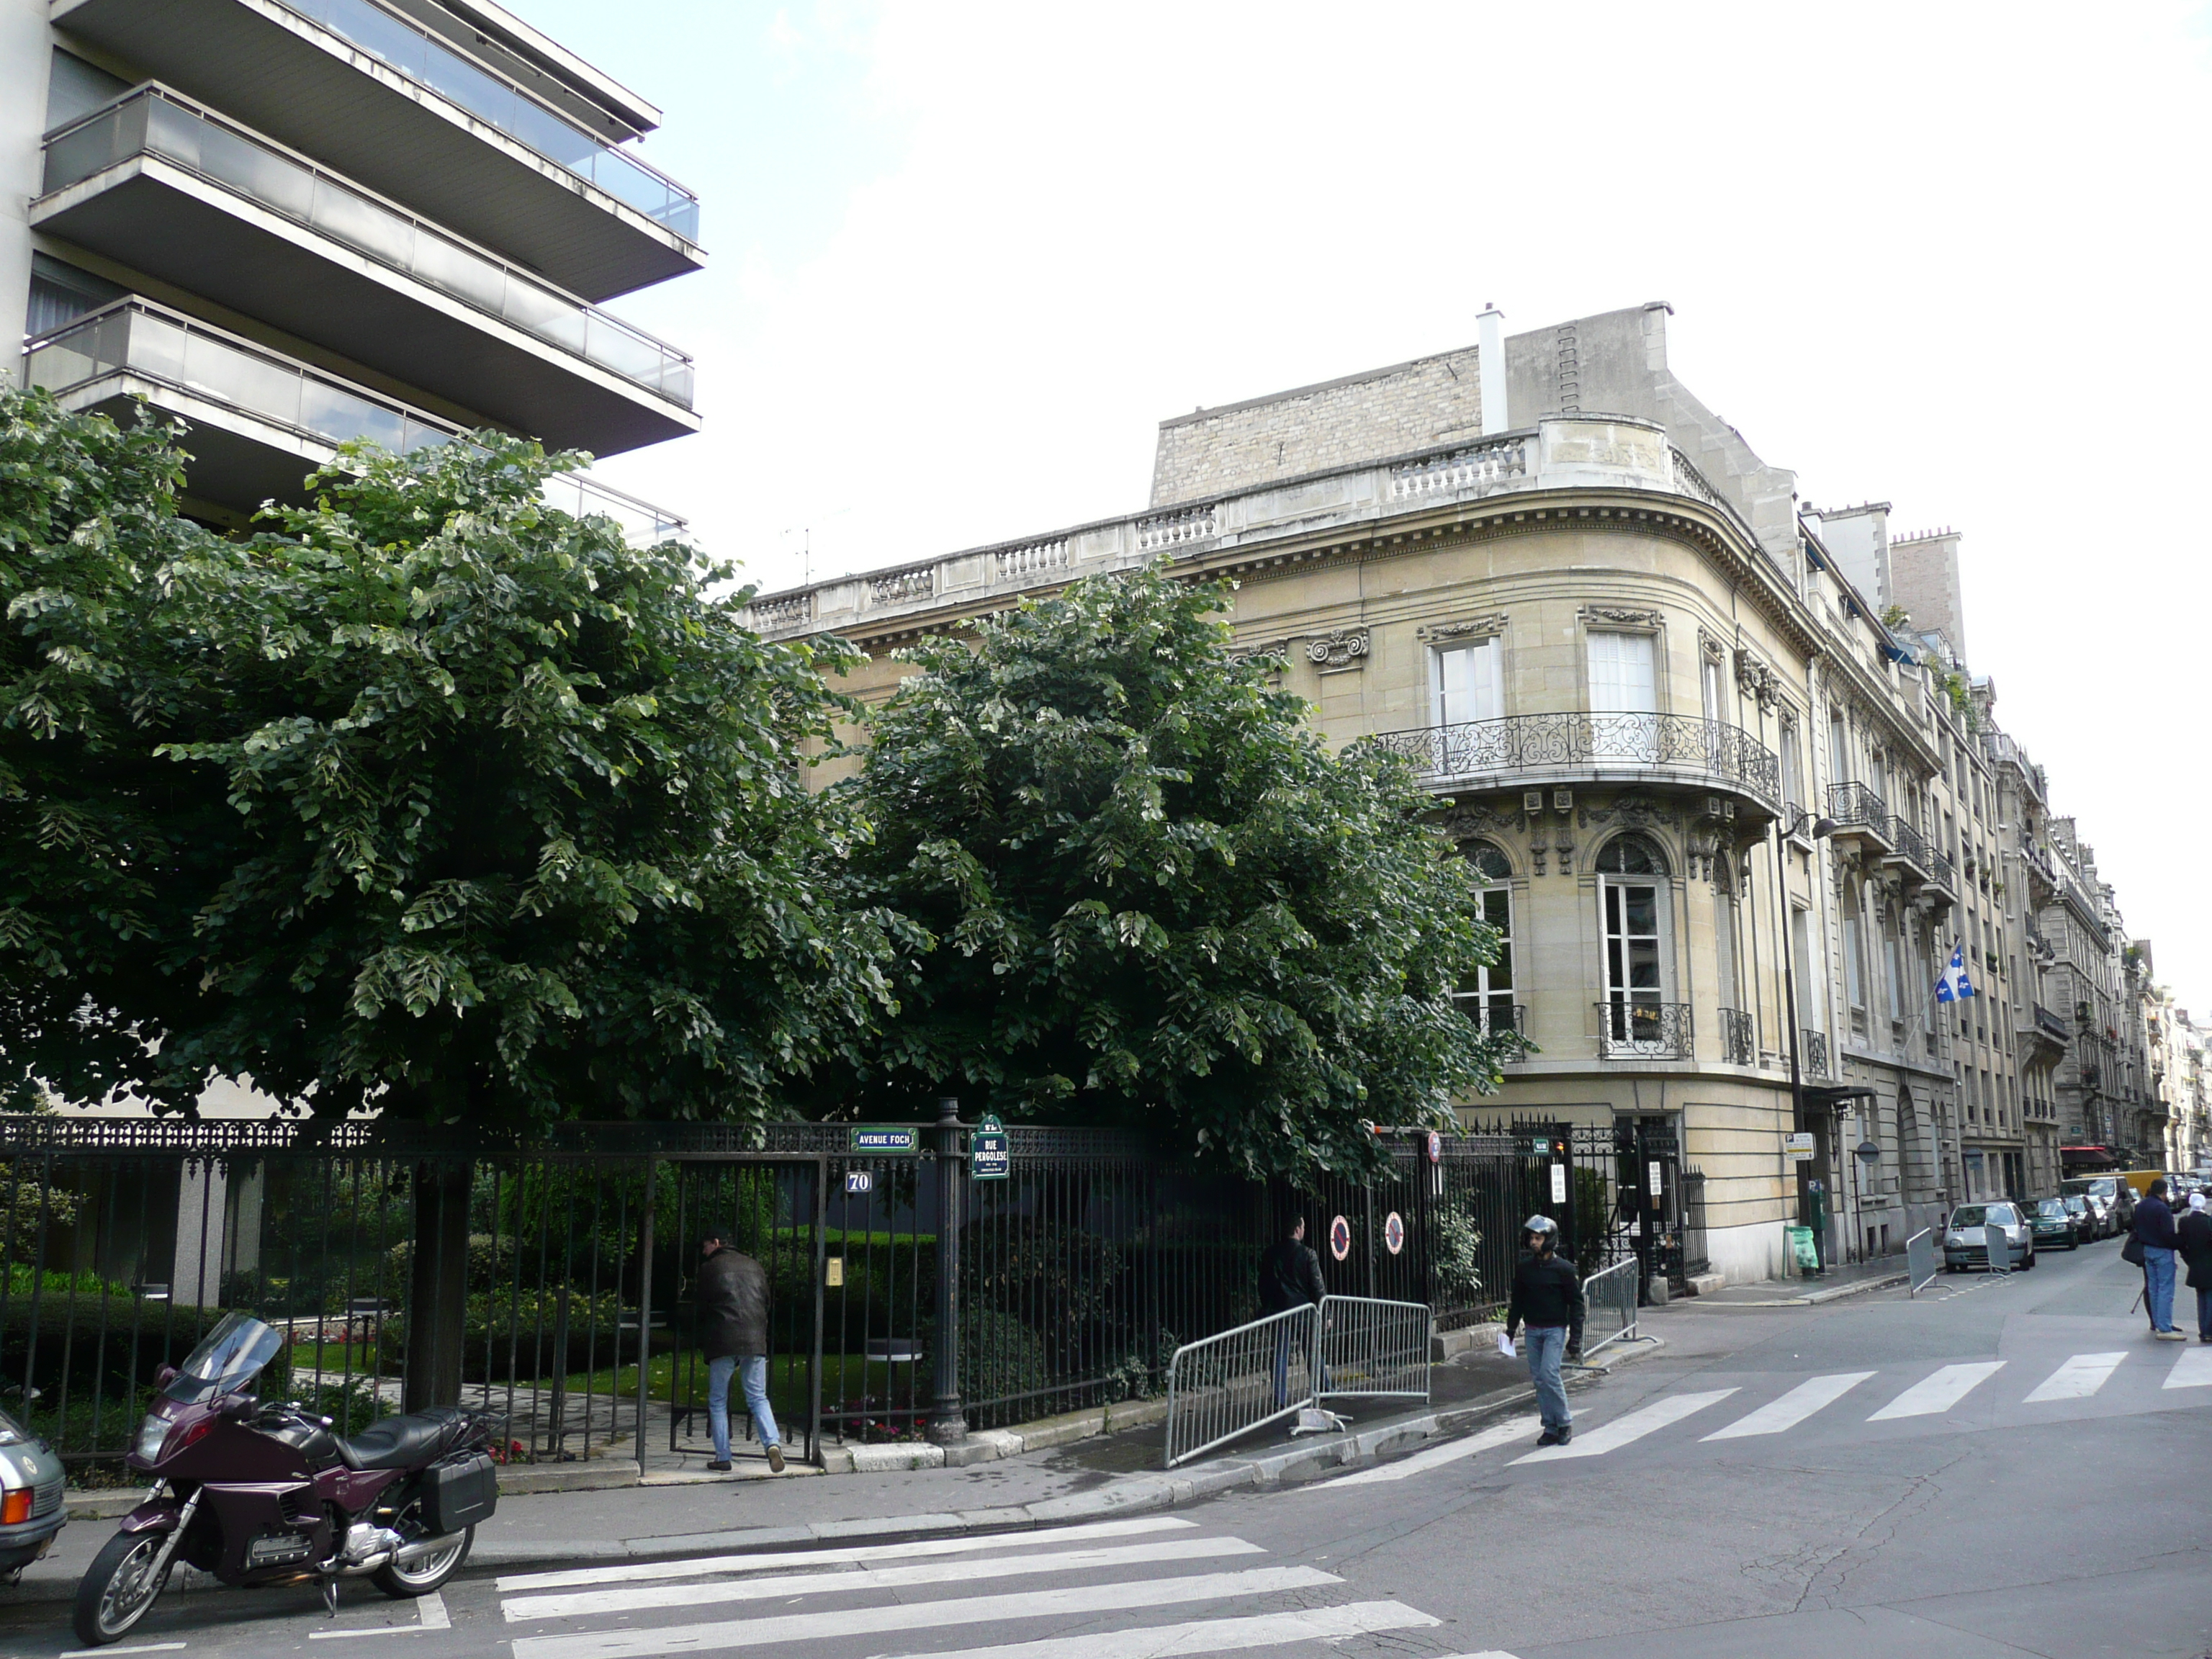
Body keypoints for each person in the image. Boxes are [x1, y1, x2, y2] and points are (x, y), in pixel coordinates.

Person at [696, 1232, 785, 1472]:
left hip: (723, 1340)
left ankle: (723, 1456)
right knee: (758, 1397)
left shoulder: (709, 1268)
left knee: (717, 1400)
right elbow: (767, 1302)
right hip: (755, 1339)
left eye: (705, 1247)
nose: (703, 1252)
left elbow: (701, 1306)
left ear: (715, 1243)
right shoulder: (754, 1265)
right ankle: (772, 1444)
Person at [1503, 1215, 1585, 1447]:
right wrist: (1510, 1328)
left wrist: (1575, 1338)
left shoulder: (1564, 1270)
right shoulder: (1525, 1269)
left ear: (1549, 1240)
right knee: (1539, 1380)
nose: (1533, 1242)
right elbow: (1518, 1300)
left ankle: (1565, 1422)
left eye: (1538, 1238)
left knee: (1550, 1374)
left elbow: (1576, 1304)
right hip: (1532, 1330)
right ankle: (1550, 1427)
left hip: (1554, 1330)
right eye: (1531, 1238)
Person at [1259, 1215, 1327, 1407]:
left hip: (1280, 1310)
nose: (1305, 1230)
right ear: (1297, 1229)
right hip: (1304, 1310)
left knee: (1280, 1354)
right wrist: (1326, 1313)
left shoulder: (1270, 1254)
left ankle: (1280, 1398)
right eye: (1303, 1226)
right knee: (1312, 1351)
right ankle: (1324, 1388)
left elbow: (1263, 1284)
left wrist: (1268, 1306)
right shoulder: (1307, 1254)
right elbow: (1318, 1287)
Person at [2131, 1179, 2187, 1342]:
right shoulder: (2161, 1209)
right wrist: (2181, 1243)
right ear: (2164, 1192)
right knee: (2165, 1289)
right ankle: (2165, 1326)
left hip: (2147, 1249)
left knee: (2154, 1288)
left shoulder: (2141, 1206)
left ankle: (2157, 1322)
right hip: (2162, 1250)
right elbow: (2168, 1234)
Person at [2177, 1191, 2212, 1345]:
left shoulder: (2184, 1222)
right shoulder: (2209, 1221)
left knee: (2201, 1298)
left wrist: (2188, 1258)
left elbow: (2181, 1244)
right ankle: (2209, 1331)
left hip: (2195, 1264)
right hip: (2210, 1263)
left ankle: (2203, 1329)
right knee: (2210, 1298)